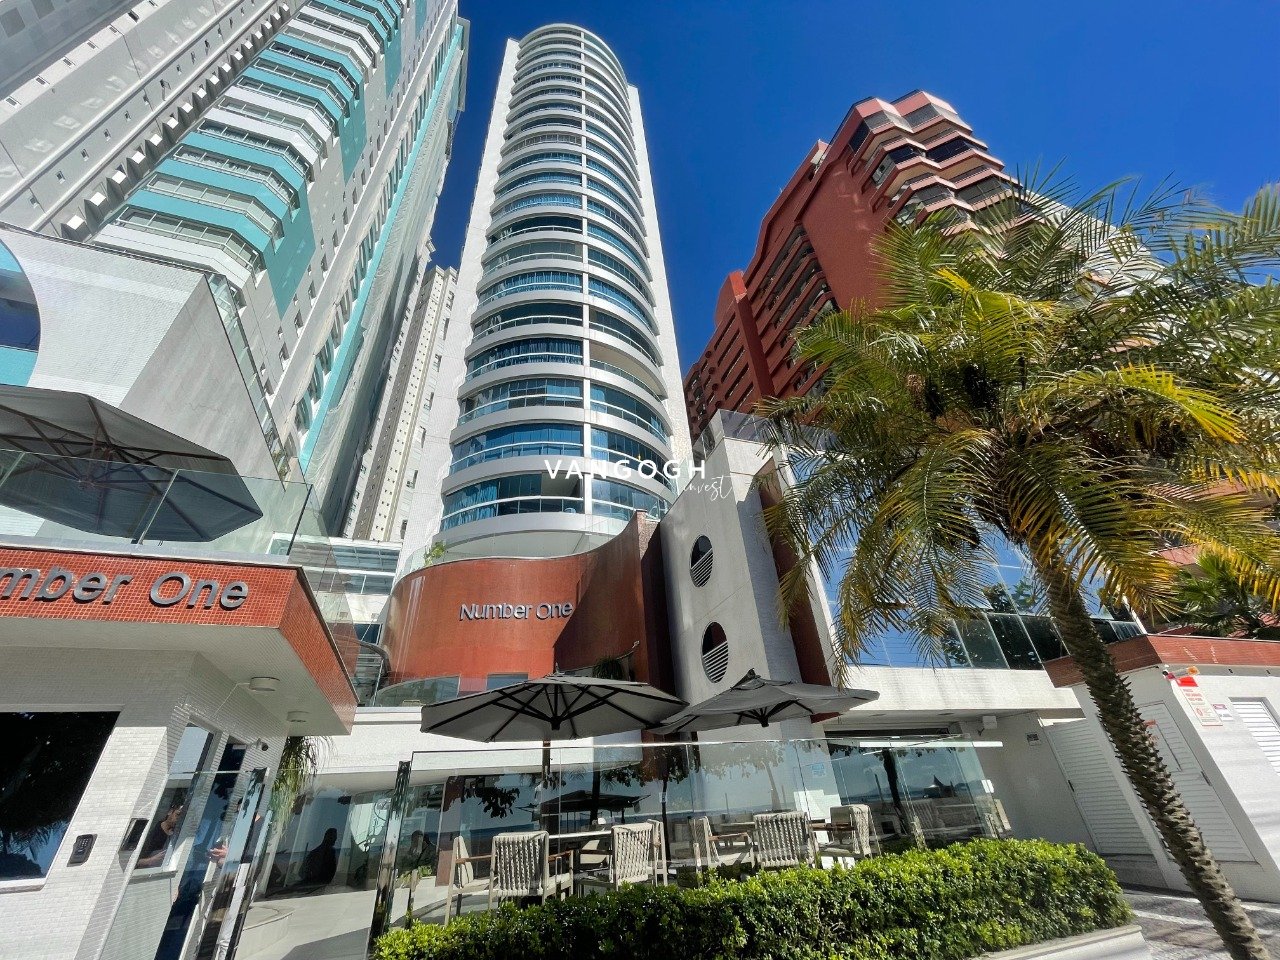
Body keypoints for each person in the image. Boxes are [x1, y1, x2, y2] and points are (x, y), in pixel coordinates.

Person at [137, 802, 185, 868]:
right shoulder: (150, 832)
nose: (178, 819)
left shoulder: (177, 835)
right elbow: (133, 861)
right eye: (178, 814)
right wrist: (151, 860)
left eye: (182, 818)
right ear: (170, 812)